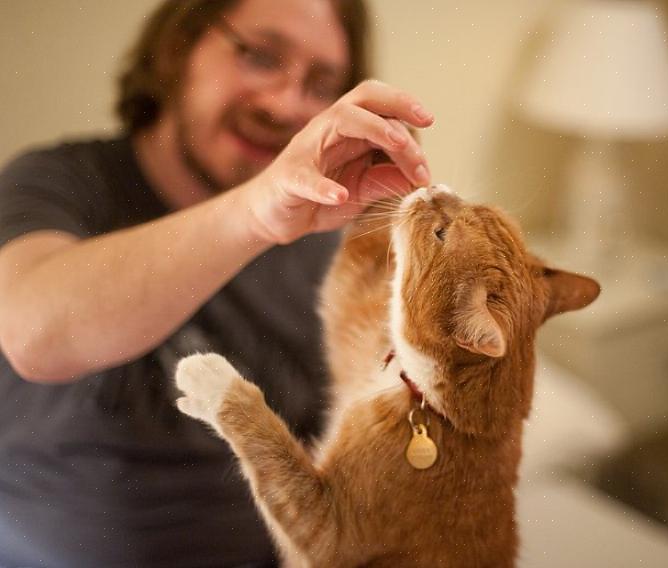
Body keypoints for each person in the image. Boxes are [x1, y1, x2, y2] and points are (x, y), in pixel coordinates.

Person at [0, 0, 433, 565]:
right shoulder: (58, 183)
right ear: (179, 47)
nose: (285, 105)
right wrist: (255, 213)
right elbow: (36, 336)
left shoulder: (328, 244)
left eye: (321, 83)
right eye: (260, 56)